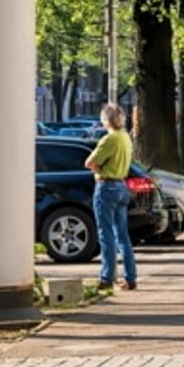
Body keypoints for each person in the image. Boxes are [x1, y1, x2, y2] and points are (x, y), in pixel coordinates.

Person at [83, 104, 136, 291]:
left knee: (106, 234)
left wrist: (99, 170)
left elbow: (89, 162)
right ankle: (130, 277)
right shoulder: (126, 138)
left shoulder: (109, 139)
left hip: (106, 186)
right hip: (122, 185)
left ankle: (107, 277)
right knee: (122, 235)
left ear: (106, 120)